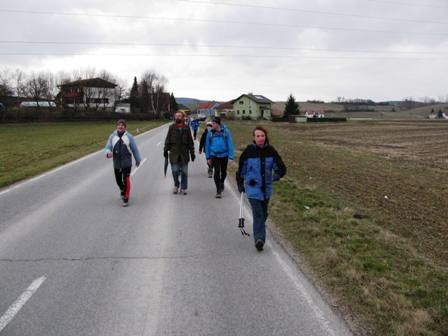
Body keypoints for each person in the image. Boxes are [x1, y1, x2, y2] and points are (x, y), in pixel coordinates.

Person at [236, 126, 286, 251]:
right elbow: (241, 169)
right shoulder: (248, 152)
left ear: (265, 137)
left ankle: (258, 230)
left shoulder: (271, 151)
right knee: (258, 214)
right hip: (253, 188)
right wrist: (240, 183)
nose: (260, 138)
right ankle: (259, 239)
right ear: (254, 137)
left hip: (266, 188)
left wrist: (276, 175)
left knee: (263, 214)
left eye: (262, 136)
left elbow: (281, 167)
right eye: (258, 136)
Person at [104, 119, 141, 207]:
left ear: (125, 127)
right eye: (119, 125)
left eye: (122, 125)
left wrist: (138, 159)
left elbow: (134, 149)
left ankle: (126, 197)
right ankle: (122, 189)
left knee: (126, 179)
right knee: (118, 181)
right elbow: (107, 147)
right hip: (116, 162)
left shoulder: (129, 137)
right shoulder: (112, 136)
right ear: (116, 126)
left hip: (127, 163)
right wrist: (107, 153)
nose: (120, 127)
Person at [164, 111, 195, 195]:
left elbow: (190, 142)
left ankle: (184, 188)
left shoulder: (187, 128)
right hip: (174, 154)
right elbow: (167, 140)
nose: (177, 117)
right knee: (175, 171)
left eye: (179, 116)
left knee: (184, 172)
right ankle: (176, 185)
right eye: (176, 116)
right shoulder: (171, 128)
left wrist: (192, 153)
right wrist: (165, 150)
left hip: (184, 154)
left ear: (183, 117)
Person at [206, 116, 234, 198]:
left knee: (224, 171)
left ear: (218, 124)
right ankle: (218, 190)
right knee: (217, 171)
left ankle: (222, 182)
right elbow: (207, 145)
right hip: (214, 155)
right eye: (212, 123)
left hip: (224, 155)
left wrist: (231, 157)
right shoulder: (210, 133)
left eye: (214, 123)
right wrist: (208, 157)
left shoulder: (225, 131)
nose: (212, 124)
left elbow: (230, 144)